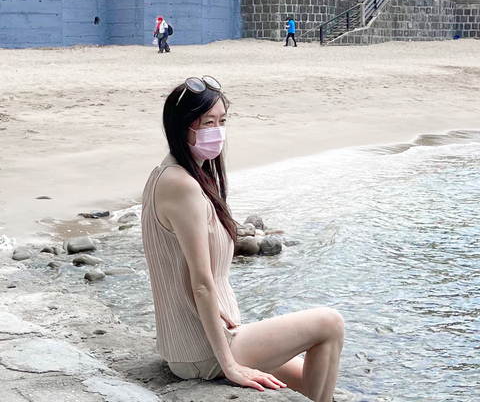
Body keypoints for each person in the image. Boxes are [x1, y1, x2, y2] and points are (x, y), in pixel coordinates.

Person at [141, 77, 345, 400]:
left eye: (223, 121)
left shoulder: (166, 174)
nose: (218, 131)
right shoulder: (183, 187)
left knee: (310, 381)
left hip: (202, 340)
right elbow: (202, 284)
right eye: (208, 123)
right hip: (203, 349)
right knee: (330, 324)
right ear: (182, 127)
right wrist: (230, 366)